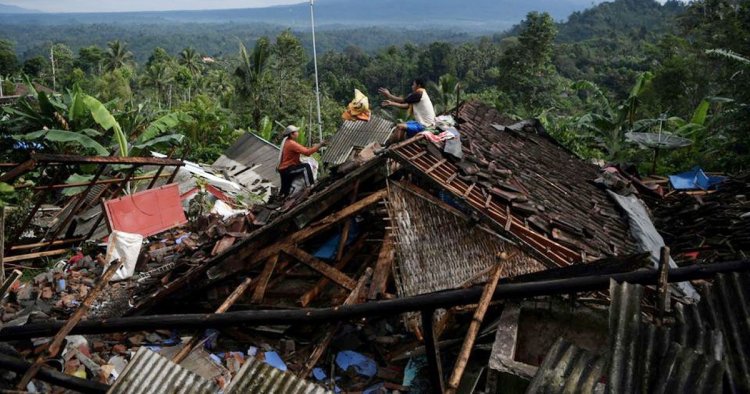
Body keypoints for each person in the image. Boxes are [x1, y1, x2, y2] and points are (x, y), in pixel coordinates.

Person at [277, 125, 322, 197]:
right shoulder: (291, 143)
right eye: (296, 132)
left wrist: (314, 147)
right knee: (305, 167)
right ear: (291, 134)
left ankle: (281, 198)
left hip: (283, 170)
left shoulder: (287, 142)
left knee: (285, 190)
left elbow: (303, 149)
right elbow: (307, 153)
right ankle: (310, 186)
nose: (298, 133)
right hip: (287, 169)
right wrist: (319, 145)